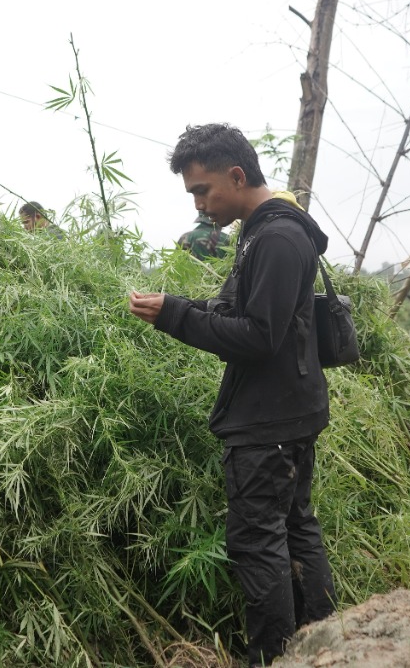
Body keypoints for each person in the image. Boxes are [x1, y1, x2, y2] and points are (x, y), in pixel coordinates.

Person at [128, 123, 336, 667]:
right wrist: (181, 306)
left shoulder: (277, 237)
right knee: (295, 529)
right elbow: (240, 312)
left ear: (237, 175)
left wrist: (174, 317)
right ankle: (323, 649)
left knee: (260, 542)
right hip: (288, 410)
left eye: (203, 190)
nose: (199, 205)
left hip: (268, 423)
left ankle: (274, 658)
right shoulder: (262, 230)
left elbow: (259, 339)